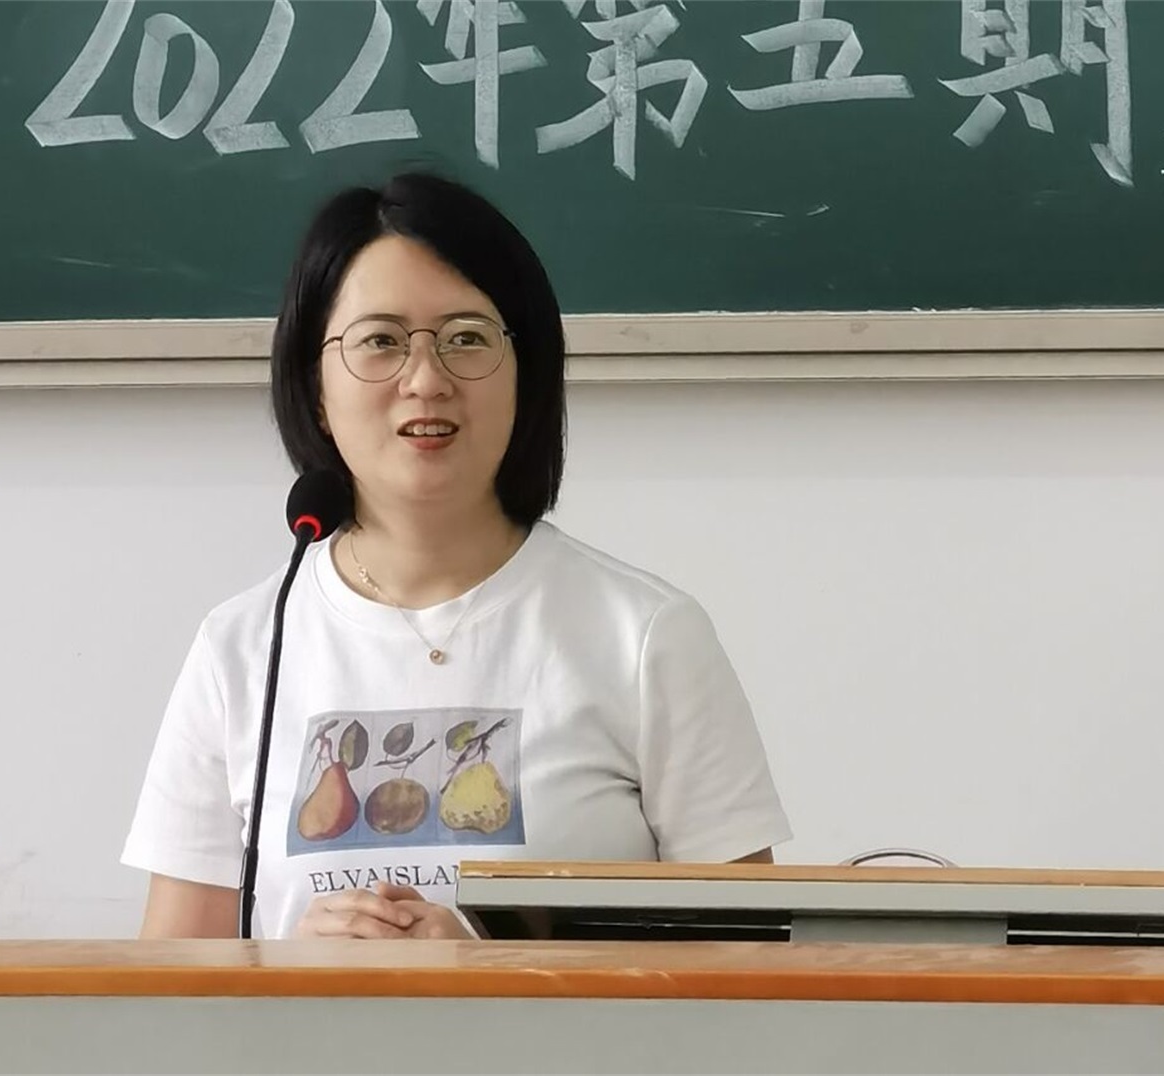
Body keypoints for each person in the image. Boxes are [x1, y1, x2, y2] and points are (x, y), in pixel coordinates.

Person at [121, 173, 791, 940]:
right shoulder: (242, 650)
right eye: (380, 341)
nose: (426, 380)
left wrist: (492, 971)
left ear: (524, 373)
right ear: (316, 389)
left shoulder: (644, 636)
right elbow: (173, 981)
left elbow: (750, 967)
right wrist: (293, 969)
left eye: (466, 338)